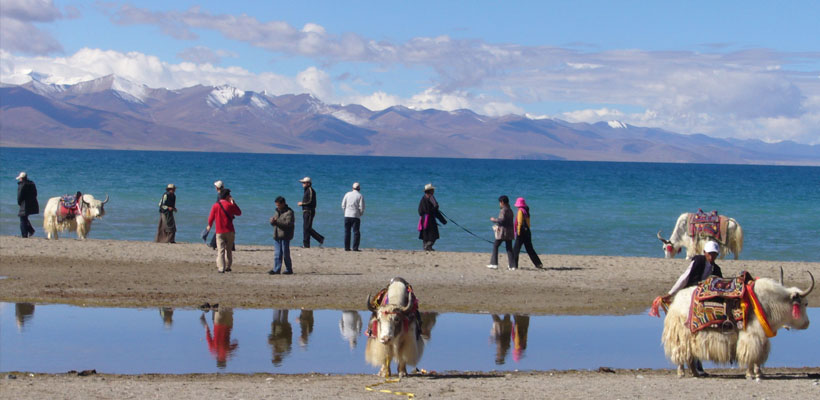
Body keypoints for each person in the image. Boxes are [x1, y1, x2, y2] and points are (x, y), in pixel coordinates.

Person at [666, 240, 724, 375]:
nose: (712, 257)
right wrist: (670, 293)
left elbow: (720, 285)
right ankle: (681, 366)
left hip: (703, 303)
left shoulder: (716, 269)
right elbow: (684, 278)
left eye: (714, 254)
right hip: (688, 299)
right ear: (705, 253)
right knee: (682, 334)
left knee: (698, 333)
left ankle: (696, 366)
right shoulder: (698, 261)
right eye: (710, 254)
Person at [205, 189, 242, 273]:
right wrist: (233, 203)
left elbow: (211, 218)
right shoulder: (229, 205)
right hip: (230, 230)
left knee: (220, 250)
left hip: (220, 231)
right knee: (228, 250)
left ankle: (221, 268)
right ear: (227, 196)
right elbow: (239, 213)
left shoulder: (215, 205)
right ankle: (228, 266)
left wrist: (209, 225)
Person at [512, 197, 543, 269]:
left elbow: (519, 223)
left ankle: (513, 265)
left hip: (521, 232)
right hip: (527, 231)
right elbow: (528, 223)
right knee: (529, 249)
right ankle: (538, 263)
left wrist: (518, 232)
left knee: (516, 249)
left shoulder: (520, 211)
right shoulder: (526, 211)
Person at [488, 195, 516, 270]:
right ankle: (512, 265)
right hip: (510, 232)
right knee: (509, 248)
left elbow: (502, 220)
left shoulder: (503, 210)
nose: (500, 204)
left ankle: (494, 264)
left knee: (495, 245)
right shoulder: (510, 210)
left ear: (502, 202)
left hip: (503, 232)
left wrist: (494, 220)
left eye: (500, 202)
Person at [268, 196, 295, 275]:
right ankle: (276, 269)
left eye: (278, 205)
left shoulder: (289, 212)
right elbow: (275, 223)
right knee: (277, 254)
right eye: (276, 205)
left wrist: (277, 222)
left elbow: (288, 224)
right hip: (277, 235)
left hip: (285, 235)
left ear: (283, 204)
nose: (277, 207)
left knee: (285, 253)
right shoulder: (277, 211)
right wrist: (272, 222)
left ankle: (289, 269)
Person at [417, 183, 447, 251]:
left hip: (423, 219)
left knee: (425, 234)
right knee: (434, 234)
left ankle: (426, 247)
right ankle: (428, 246)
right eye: (433, 190)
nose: (434, 191)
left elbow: (420, 210)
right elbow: (435, 208)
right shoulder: (431, 197)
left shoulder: (423, 198)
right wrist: (443, 220)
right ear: (430, 191)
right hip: (430, 219)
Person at [297, 177, 324, 248]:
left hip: (309, 211)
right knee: (306, 228)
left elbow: (310, 201)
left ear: (308, 183)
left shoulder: (311, 190)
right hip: (306, 211)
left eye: (304, 183)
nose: (302, 184)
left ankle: (320, 238)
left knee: (307, 228)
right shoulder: (306, 190)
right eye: (302, 183)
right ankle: (306, 244)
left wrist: (302, 203)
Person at [341, 182, 365, 251]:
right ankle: (355, 248)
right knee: (356, 232)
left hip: (347, 215)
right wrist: (360, 214)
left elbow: (343, 205)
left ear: (352, 188)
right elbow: (362, 207)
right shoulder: (360, 196)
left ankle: (347, 248)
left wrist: (345, 212)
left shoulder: (347, 194)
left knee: (347, 232)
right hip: (355, 216)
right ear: (359, 188)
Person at [16, 172, 39, 238]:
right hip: (31, 203)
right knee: (25, 218)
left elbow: (19, 195)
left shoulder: (22, 185)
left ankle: (24, 234)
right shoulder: (32, 184)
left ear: (21, 178)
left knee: (22, 218)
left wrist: (19, 203)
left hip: (24, 203)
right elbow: (35, 194)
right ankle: (31, 230)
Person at [208, 181, 224, 249]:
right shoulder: (223, 194)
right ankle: (213, 244)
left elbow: (218, 205)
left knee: (219, 229)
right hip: (224, 214)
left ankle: (213, 244)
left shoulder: (220, 195)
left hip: (221, 214)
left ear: (217, 188)